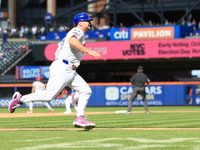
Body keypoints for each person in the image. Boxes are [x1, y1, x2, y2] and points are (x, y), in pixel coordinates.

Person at [8, 12, 101, 129]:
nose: (90, 22)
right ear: (80, 23)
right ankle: (20, 99)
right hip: (64, 67)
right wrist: (89, 51)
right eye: (87, 20)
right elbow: (72, 41)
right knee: (49, 95)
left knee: (86, 90)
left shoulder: (77, 32)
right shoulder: (77, 30)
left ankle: (79, 118)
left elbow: (58, 50)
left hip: (69, 69)